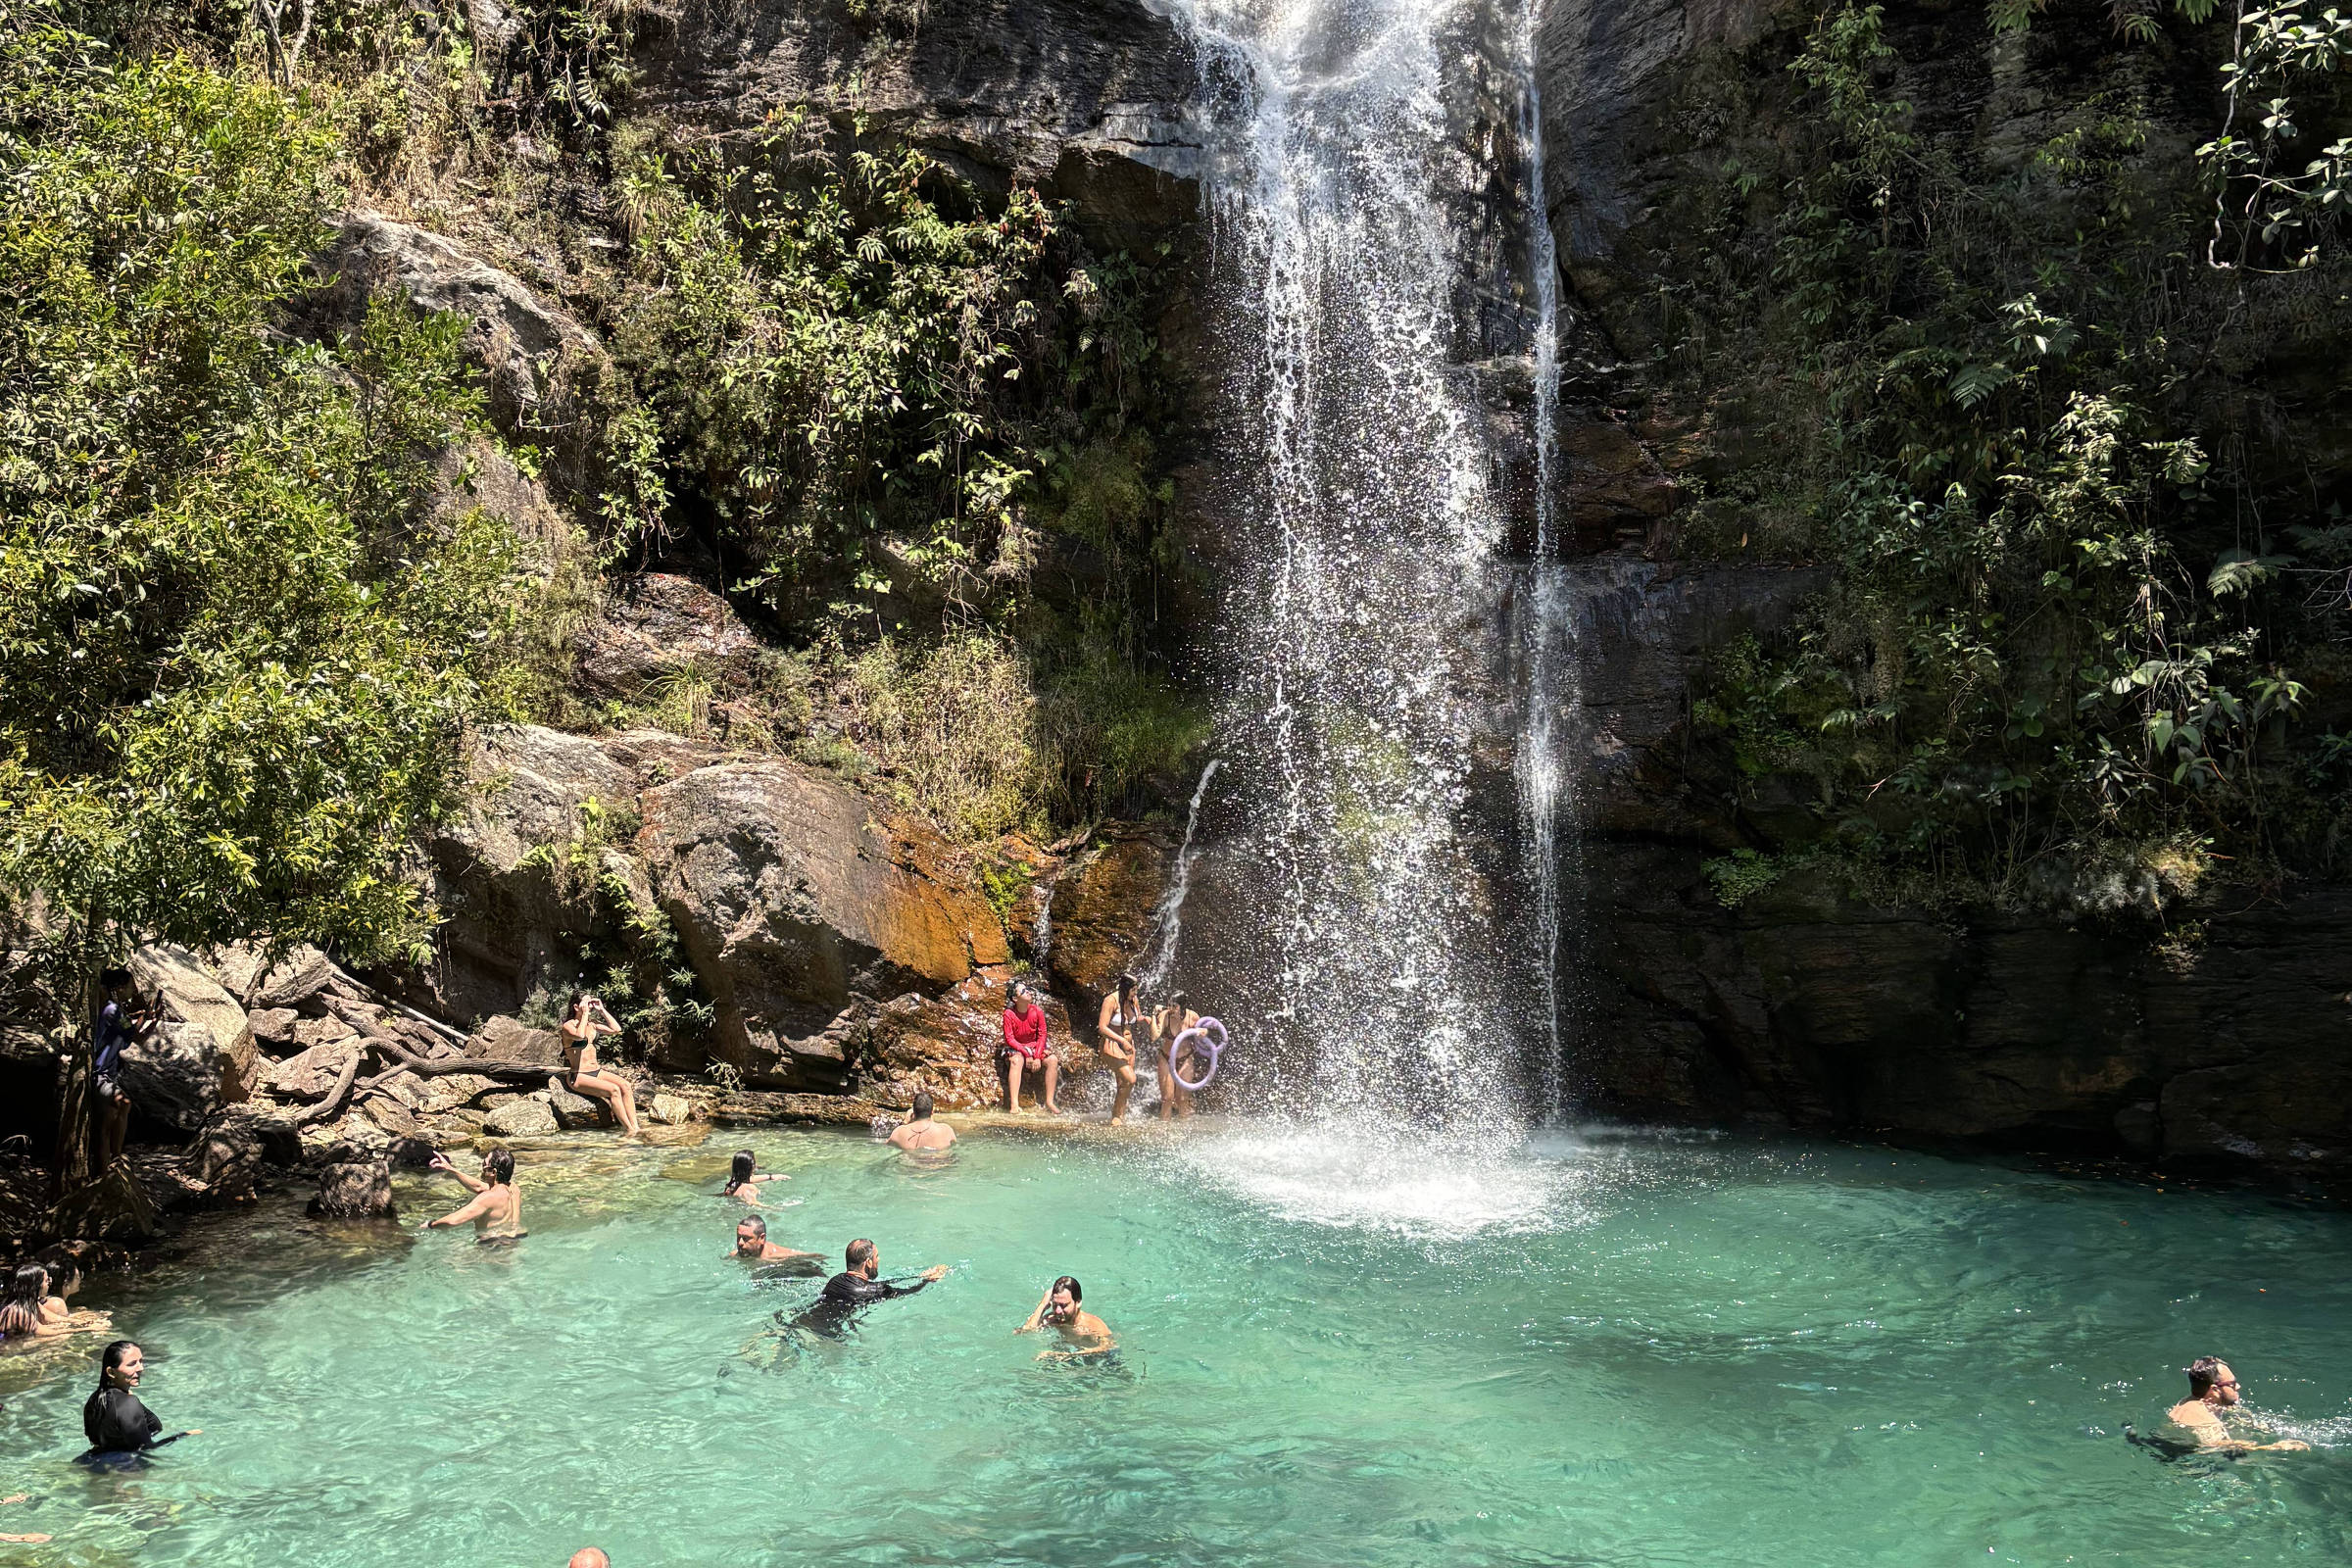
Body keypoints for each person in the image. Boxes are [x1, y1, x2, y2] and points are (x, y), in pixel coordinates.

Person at [790, 1239, 950, 1339]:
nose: (879, 1260)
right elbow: (907, 1292)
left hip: (799, 1322)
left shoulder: (835, 1280)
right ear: (868, 1263)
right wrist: (927, 1281)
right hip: (819, 1335)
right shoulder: (871, 1291)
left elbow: (886, 1283)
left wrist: (918, 1277)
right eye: (877, 1257)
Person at [79, 1340, 195, 1461]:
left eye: (141, 1361)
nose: (141, 1368)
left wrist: (127, 1396)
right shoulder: (128, 1403)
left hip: (91, 1460)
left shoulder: (94, 1399)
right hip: (124, 1468)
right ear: (111, 1372)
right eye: (132, 1364)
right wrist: (182, 1435)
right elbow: (146, 1449)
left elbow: (96, 1440)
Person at [2166, 1357, 2310, 1452]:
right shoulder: (2202, 1417)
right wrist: (2273, 1447)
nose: (2239, 1386)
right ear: (2215, 1390)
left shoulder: (2192, 1402)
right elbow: (2214, 1445)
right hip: (2187, 1467)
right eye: (2232, 1384)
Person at [560, 992, 642, 1137]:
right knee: (614, 1090)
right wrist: (584, 1014)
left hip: (596, 1071)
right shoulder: (568, 1026)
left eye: (590, 1003)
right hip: (578, 1076)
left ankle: (635, 1127)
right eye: (586, 1003)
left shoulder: (592, 1025)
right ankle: (629, 1129)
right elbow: (579, 1036)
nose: (589, 1007)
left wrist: (602, 1010)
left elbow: (616, 1029)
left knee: (626, 1086)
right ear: (576, 1006)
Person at [91, 966, 145, 1170]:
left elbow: (134, 1037)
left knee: (123, 1105)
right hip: (99, 1075)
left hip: (107, 1076)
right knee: (107, 1122)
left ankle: (115, 1157)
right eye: (131, 987)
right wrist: (144, 1016)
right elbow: (135, 1033)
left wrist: (149, 1018)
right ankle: (105, 1169)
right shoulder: (113, 1010)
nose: (133, 991)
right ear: (120, 988)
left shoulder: (112, 1009)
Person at [421, 1148, 525, 1242]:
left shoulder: (488, 1197)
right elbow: (478, 1186)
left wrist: (431, 1225)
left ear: (493, 1172)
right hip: (514, 1241)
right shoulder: (514, 1189)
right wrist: (450, 1169)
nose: (482, 1168)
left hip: (493, 1248)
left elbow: (453, 1221)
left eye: (484, 1164)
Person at [1016, 1274, 1114, 1359]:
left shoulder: (1092, 1325)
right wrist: (1042, 1305)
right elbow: (1026, 1332)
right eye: (1055, 1305)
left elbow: (1109, 1347)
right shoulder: (1052, 1320)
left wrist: (1064, 1355)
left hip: (1099, 1360)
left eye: (1064, 1305)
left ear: (1078, 1302)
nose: (1057, 1311)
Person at [1000, 983, 1059, 1115]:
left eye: (1028, 989)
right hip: (1017, 1048)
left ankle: (1050, 1102)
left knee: (1053, 1060)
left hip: (1035, 1048)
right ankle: (1014, 1104)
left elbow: (1042, 1034)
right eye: (1024, 991)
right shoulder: (1008, 1014)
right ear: (1015, 999)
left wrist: (1037, 1056)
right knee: (1016, 1061)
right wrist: (1026, 1053)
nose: (1028, 992)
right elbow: (1009, 1039)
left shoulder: (1037, 1011)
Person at [1097, 974, 1143, 1123]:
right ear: (1125, 988)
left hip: (1129, 1047)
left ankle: (1119, 1116)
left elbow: (1138, 1017)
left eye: (1136, 990)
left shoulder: (1133, 1000)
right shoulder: (1111, 1001)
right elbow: (1102, 1028)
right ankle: (1116, 1115)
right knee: (1130, 1079)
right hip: (1112, 1044)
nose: (1136, 993)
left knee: (1123, 1084)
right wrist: (1121, 1040)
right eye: (1133, 990)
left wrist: (1153, 1016)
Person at [1151, 992, 1200, 1120]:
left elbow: (1205, 1036)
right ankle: (1164, 1130)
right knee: (1167, 1098)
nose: (1171, 1009)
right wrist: (1153, 1016)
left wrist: (1203, 1031)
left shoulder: (1192, 1017)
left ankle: (1184, 1132)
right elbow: (1154, 1036)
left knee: (1182, 1099)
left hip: (1185, 1058)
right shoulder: (1164, 1015)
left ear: (1182, 1006)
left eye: (1175, 1006)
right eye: (1169, 1005)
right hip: (1166, 1058)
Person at [730, 1214, 823, 1272]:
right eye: (738, 1237)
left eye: (746, 1238)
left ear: (762, 1238)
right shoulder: (734, 1255)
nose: (740, 1243)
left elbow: (814, 1257)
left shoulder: (777, 1256)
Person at [0, 1263, 65, 1341]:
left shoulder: (28, 1303)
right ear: (36, 1285)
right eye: (46, 1280)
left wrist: (81, 1319)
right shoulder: (19, 1312)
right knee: (62, 1337)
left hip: (15, 1346)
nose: (49, 1284)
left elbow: (56, 1319)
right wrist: (80, 1330)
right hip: (8, 1350)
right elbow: (51, 1333)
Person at [887, 1091, 956, 1152]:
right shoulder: (946, 1130)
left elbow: (887, 1145)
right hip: (938, 1165)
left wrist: (905, 1122)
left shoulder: (899, 1132)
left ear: (913, 1112)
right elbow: (954, 1144)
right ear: (932, 1112)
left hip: (910, 1165)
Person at [722, 1150, 789, 1204]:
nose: (756, 1165)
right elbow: (754, 1204)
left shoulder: (731, 1185)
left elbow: (749, 1179)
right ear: (750, 1167)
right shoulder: (749, 1188)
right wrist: (777, 1209)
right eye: (754, 1163)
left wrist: (771, 1176)